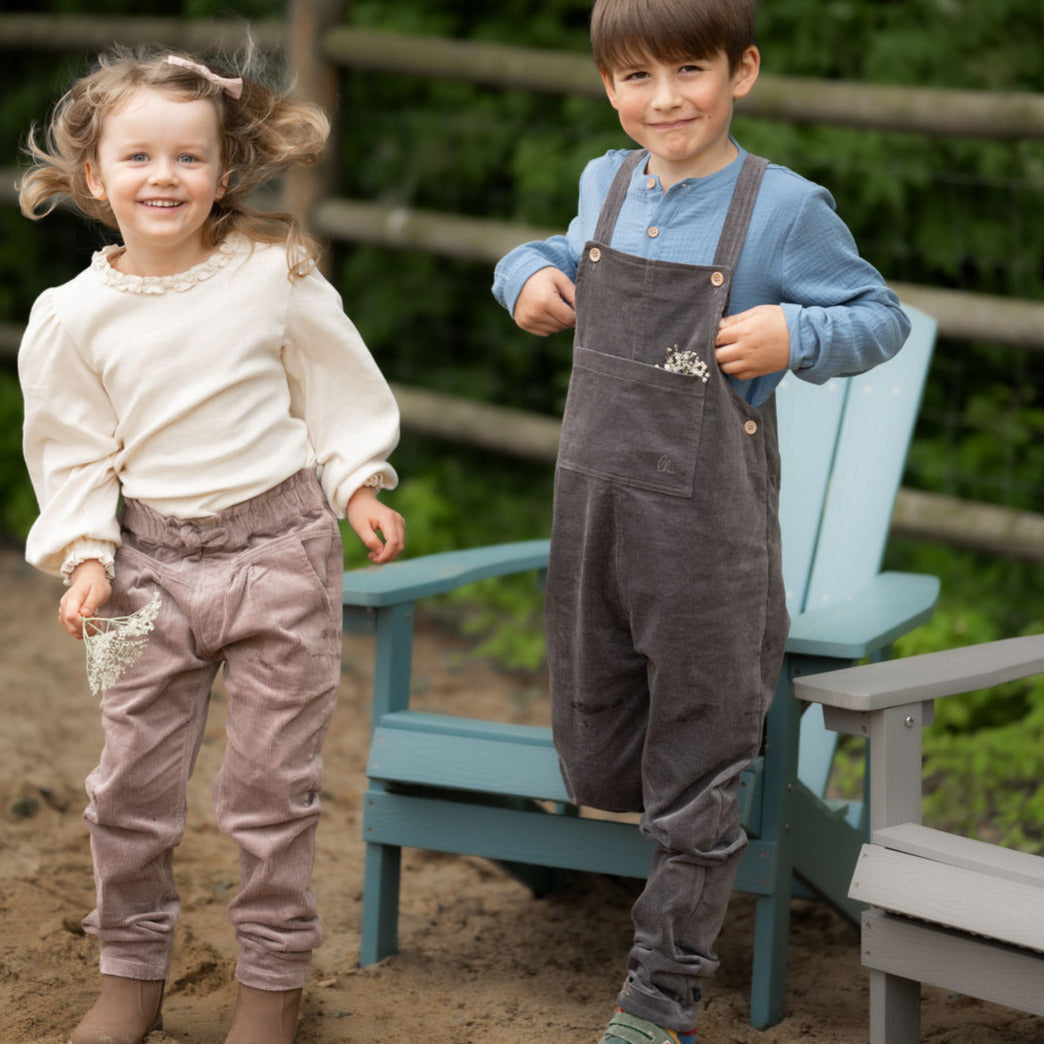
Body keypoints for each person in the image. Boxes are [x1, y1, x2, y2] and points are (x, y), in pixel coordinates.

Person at [492, 1, 911, 1041]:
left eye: (690, 70)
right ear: (607, 88)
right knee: (594, 752)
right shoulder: (609, 181)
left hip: (707, 540)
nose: (665, 98)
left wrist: (796, 330)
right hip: (592, 516)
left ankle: (662, 996)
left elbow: (879, 318)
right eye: (637, 77)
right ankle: (648, 842)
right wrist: (525, 274)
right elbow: (557, 246)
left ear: (744, 70)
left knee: (697, 762)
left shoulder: (784, 209)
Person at [18, 43, 404, 1044]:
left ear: (224, 174)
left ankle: (271, 992)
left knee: (272, 793)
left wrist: (358, 480)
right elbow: (72, 453)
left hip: (283, 557)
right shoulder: (71, 317)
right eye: (138, 157)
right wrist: (87, 557)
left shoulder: (273, 273)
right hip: (140, 577)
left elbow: (338, 386)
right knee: (127, 789)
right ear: (95, 177)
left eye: (188, 158)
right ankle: (129, 979)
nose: (165, 177)